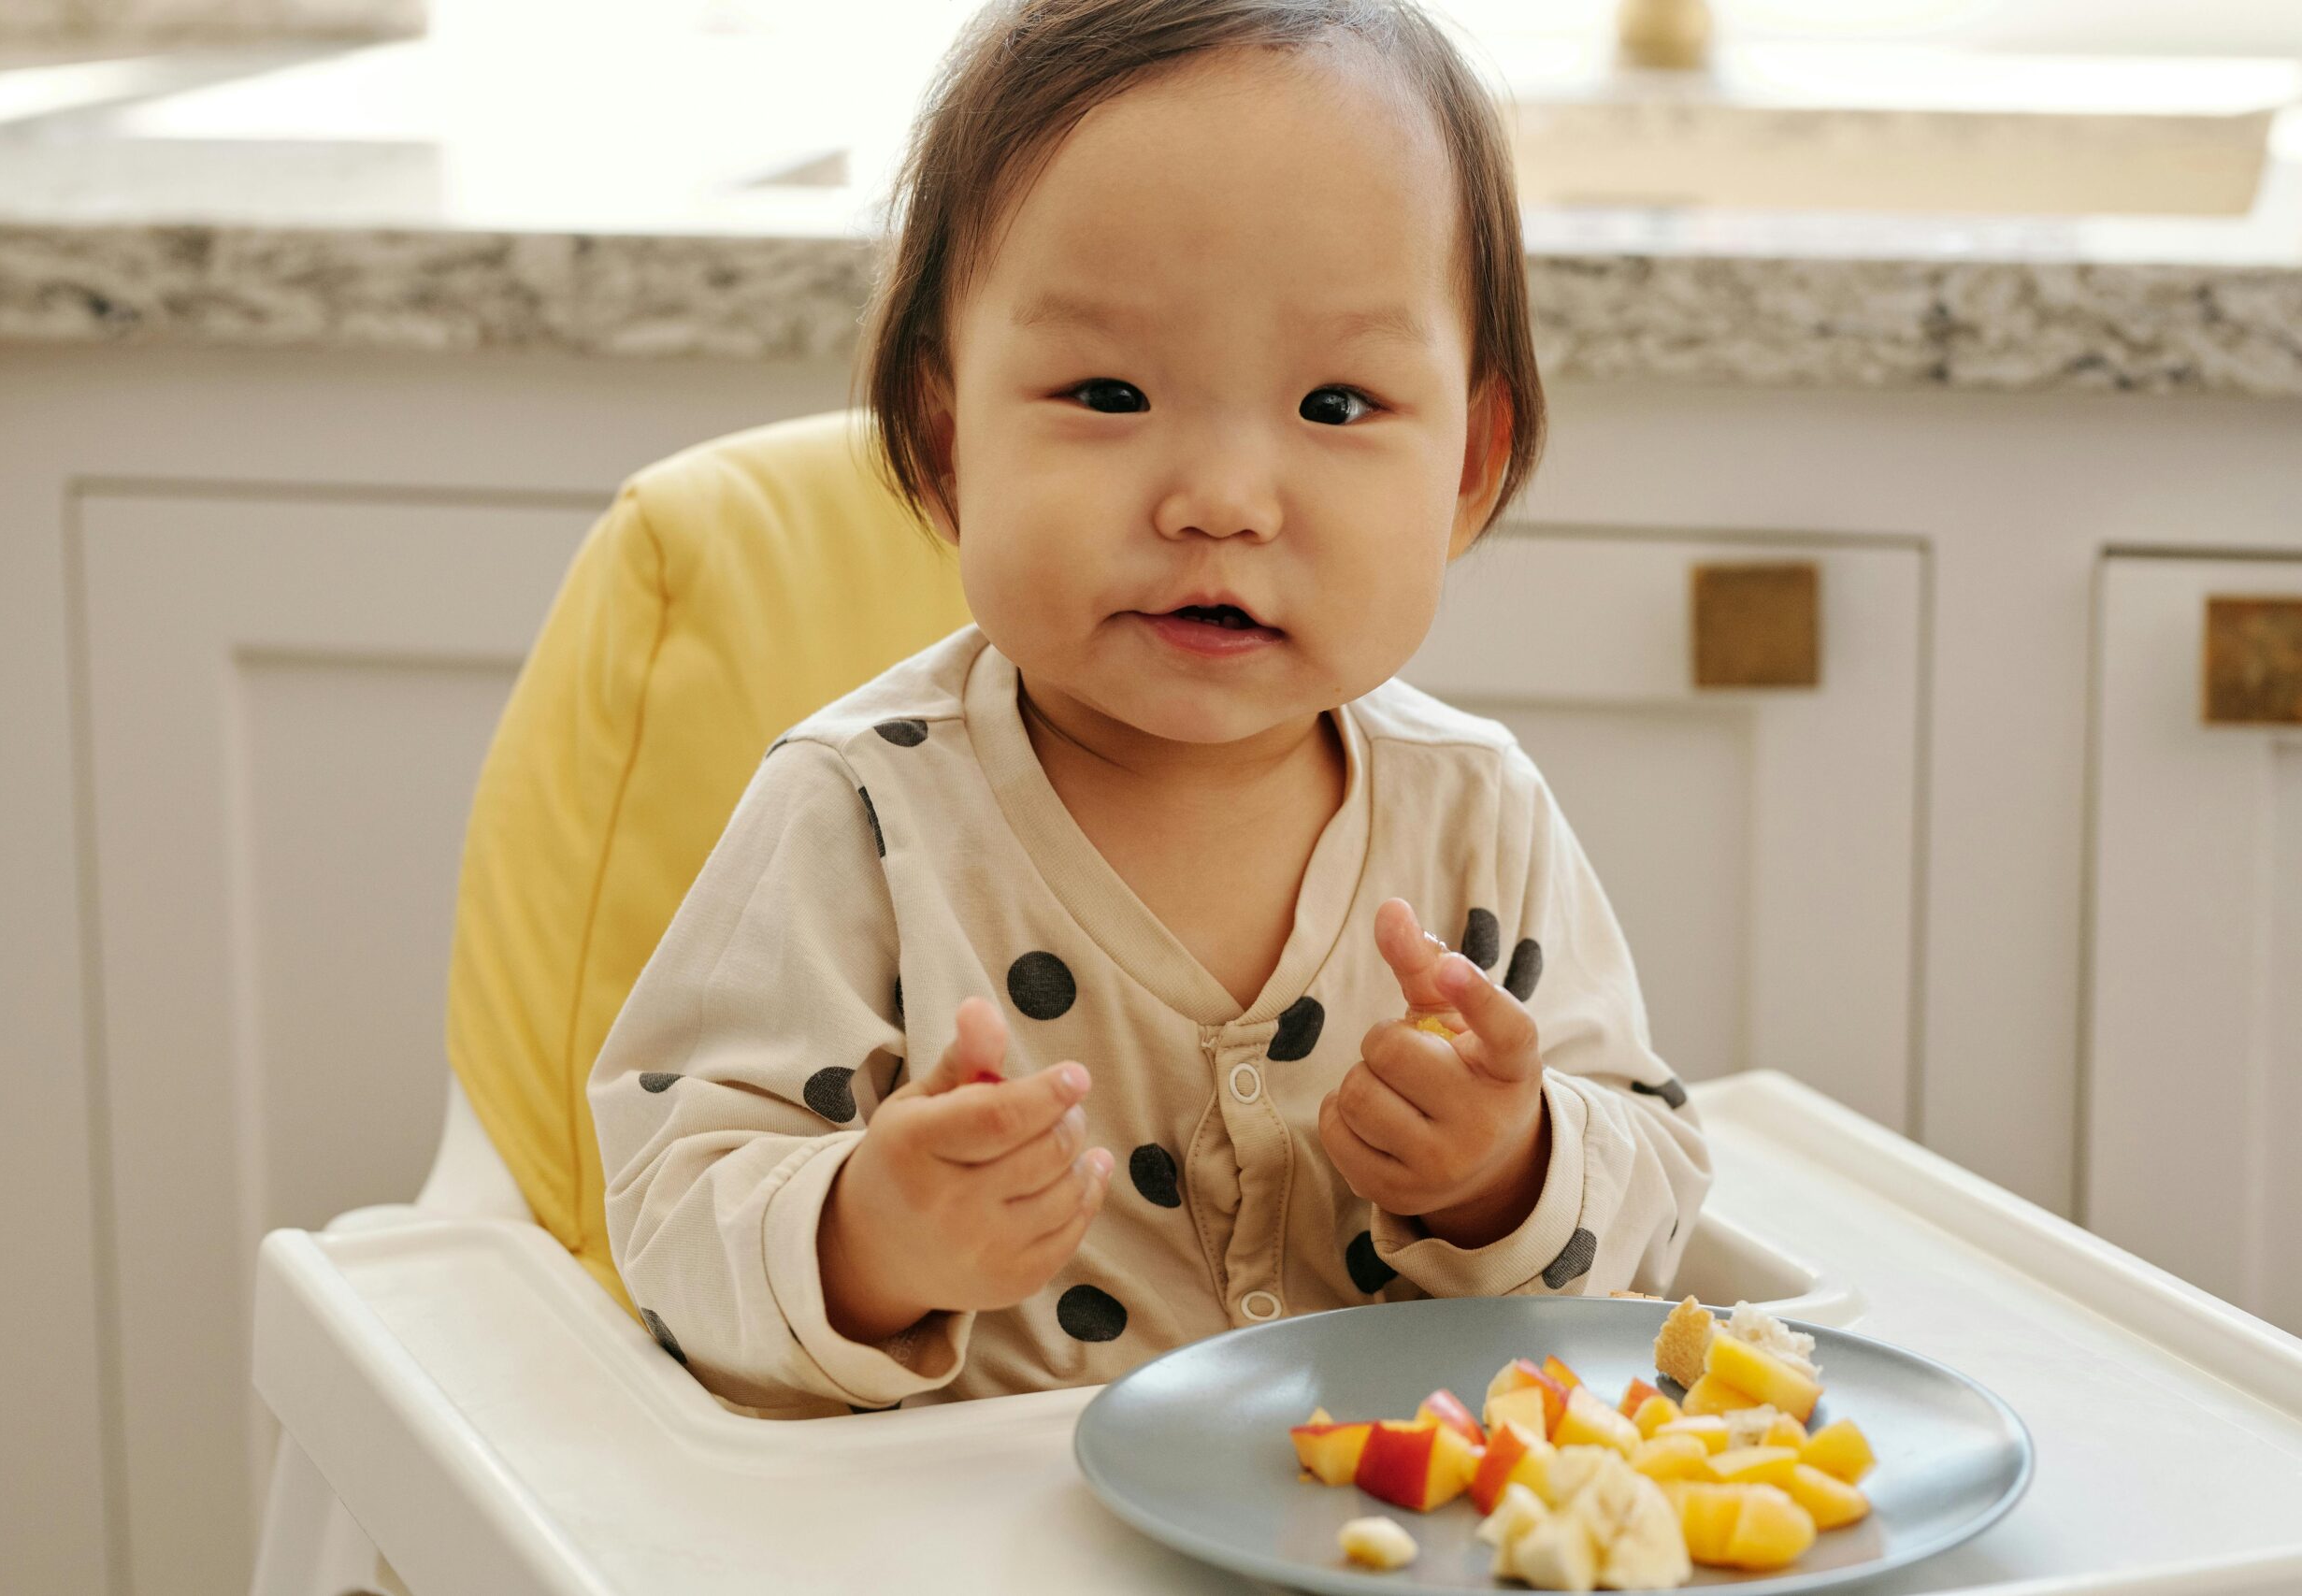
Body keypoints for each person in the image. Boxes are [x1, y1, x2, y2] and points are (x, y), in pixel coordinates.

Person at [589, 0, 1710, 1417]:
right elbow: (670, 1205)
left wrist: (1512, 1168)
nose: (1222, 502)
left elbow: (1658, 1193)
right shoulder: (862, 812)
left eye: (1338, 404)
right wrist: (872, 1234)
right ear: (947, 441)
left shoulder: (1475, 813)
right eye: (1109, 391)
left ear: (1471, 467)